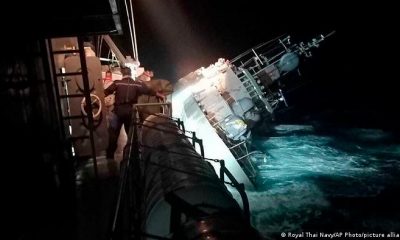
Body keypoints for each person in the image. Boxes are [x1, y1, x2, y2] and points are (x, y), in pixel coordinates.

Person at [104, 66, 165, 160]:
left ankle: (109, 157)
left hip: (118, 112)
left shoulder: (117, 83)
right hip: (130, 112)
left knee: (113, 134)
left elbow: (106, 92)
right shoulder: (137, 84)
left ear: (123, 74)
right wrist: (159, 95)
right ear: (130, 74)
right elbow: (148, 91)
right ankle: (133, 156)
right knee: (132, 135)